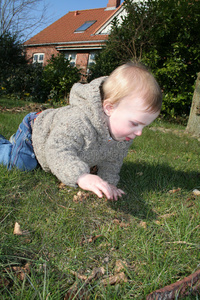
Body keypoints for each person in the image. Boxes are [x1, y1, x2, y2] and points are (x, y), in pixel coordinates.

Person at [0, 62, 162, 200]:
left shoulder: (124, 136)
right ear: (109, 108)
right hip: (36, 133)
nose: (139, 132)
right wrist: (81, 176)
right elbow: (57, 149)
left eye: (143, 126)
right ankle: (7, 144)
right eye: (135, 123)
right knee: (23, 164)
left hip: (53, 141)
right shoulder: (78, 121)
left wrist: (108, 184)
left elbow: (112, 161)